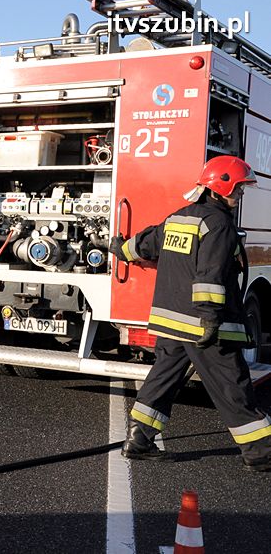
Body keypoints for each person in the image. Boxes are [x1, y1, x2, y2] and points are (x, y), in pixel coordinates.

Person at [109, 155, 271, 472]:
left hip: (171, 323)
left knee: (162, 380)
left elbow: (147, 243)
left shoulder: (179, 218)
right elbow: (209, 275)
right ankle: (261, 451)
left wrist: (122, 249)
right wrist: (210, 316)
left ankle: (139, 440)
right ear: (218, 187)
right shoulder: (219, 225)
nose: (239, 196)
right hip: (204, 327)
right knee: (232, 387)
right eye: (237, 189)